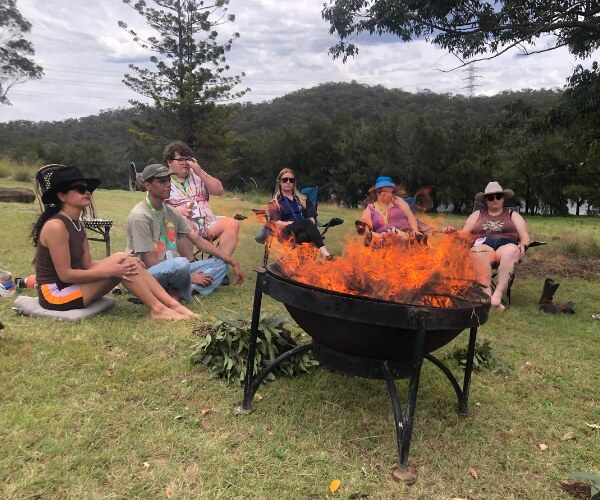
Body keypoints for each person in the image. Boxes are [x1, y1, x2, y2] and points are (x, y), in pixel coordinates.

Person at [31, 165, 196, 321]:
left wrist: (120, 260)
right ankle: (158, 309)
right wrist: (113, 271)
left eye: (88, 189)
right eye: (80, 189)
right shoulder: (56, 226)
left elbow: (87, 265)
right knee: (122, 267)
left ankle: (172, 305)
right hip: (56, 295)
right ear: (62, 196)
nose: (87, 192)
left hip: (72, 285)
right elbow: (65, 275)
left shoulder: (77, 223)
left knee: (126, 259)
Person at [126, 164, 244, 301]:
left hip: (174, 268)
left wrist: (232, 261)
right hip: (146, 273)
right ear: (148, 186)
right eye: (161, 181)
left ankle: (182, 290)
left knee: (220, 264)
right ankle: (178, 289)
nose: (168, 185)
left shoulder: (170, 212)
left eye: (168, 180)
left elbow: (198, 241)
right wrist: (189, 276)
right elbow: (150, 261)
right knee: (181, 263)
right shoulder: (141, 216)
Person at [450, 181, 531, 310]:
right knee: (478, 253)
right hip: (483, 245)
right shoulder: (478, 214)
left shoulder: (512, 215)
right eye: (491, 197)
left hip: (506, 245)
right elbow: (465, 232)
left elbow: (524, 235)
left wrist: (524, 244)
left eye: (498, 196)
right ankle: (487, 295)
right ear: (486, 200)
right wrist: (453, 232)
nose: (495, 200)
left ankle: (498, 293)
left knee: (511, 251)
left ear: (503, 198)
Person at [162, 141, 240, 260]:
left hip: (207, 222)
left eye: (188, 160)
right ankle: (191, 264)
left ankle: (219, 263)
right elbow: (155, 208)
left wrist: (200, 171)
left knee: (232, 223)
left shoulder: (197, 175)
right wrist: (177, 210)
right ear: (169, 161)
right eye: (181, 160)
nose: (185, 163)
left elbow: (219, 190)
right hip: (182, 225)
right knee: (180, 221)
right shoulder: (162, 180)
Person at [267, 167, 334, 260]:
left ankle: (303, 268)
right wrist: (293, 224)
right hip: (286, 234)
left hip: (303, 232)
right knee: (305, 222)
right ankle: (325, 254)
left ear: (294, 182)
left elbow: (312, 219)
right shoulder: (275, 203)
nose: (288, 182)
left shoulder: (303, 199)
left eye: (291, 180)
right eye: (284, 179)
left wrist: (303, 225)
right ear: (279, 182)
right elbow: (277, 223)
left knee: (304, 235)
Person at [357, 176, 421, 246]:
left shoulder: (398, 202)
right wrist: (369, 232)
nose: (386, 194)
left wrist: (415, 230)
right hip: (383, 242)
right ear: (377, 192)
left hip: (404, 238)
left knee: (402, 237)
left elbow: (410, 216)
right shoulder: (371, 208)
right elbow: (364, 224)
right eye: (383, 191)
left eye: (389, 191)